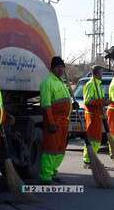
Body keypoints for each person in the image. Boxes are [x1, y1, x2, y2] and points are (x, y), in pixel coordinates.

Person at [39, 56, 72, 184]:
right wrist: (51, 123)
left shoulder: (61, 82)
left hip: (64, 122)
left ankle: (53, 171)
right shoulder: (47, 82)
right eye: (58, 67)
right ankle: (45, 176)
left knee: (60, 149)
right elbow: (46, 105)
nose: (61, 70)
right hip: (54, 122)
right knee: (50, 149)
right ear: (52, 68)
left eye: (62, 67)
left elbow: (65, 100)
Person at [82, 65, 105, 168]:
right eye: (101, 73)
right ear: (96, 74)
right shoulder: (90, 84)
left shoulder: (99, 85)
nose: (102, 75)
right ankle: (87, 161)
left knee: (97, 139)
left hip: (97, 115)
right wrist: (102, 102)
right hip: (91, 115)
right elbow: (88, 101)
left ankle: (93, 159)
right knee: (92, 138)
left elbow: (100, 100)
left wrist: (103, 104)